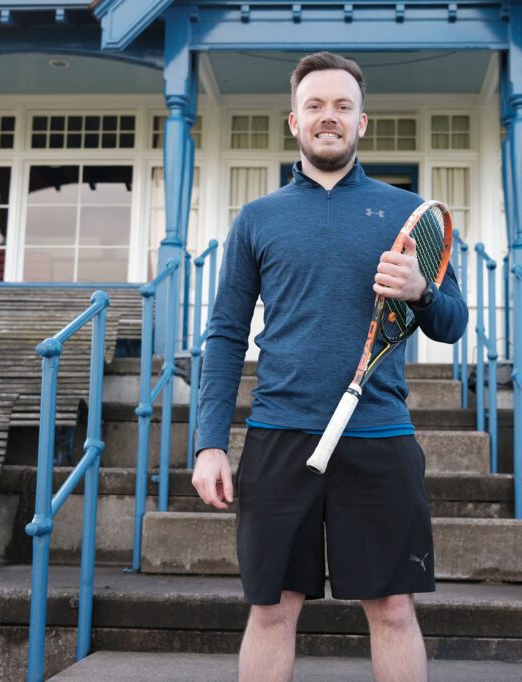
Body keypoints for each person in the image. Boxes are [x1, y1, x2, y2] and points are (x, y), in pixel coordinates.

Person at [191, 52, 468, 682]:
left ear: (362, 122)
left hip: (378, 434)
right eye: (315, 106)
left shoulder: (407, 213)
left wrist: (422, 291)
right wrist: (210, 443)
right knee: (270, 610)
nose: (328, 117)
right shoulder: (257, 219)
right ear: (294, 121)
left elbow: (452, 323)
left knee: (394, 609)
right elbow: (226, 335)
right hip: (280, 436)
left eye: (342, 106)